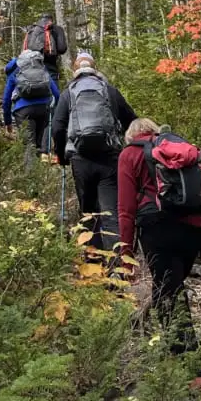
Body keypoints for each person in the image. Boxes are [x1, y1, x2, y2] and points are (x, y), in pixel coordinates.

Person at [118, 118, 201, 364]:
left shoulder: (129, 155)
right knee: (171, 289)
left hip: (159, 228)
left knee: (168, 294)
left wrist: (126, 255)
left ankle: (189, 366)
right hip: (194, 229)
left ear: (131, 135)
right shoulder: (178, 149)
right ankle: (179, 354)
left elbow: (126, 209)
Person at [52, 52, 136, 252]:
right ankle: (116, 268)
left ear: (75, 70)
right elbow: (132, 121)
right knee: (110, 213)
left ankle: (93, 263)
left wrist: (62, 155)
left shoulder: (68, 93)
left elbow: (57, 127)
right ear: (94, 68)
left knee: (88, 212)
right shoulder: (109, 91)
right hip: (109, 158)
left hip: (81, 159)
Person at [3, 49, 60, 168]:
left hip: (23, 111)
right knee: (39, 145)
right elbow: (56, 93)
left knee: (29, 145)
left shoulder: (16, 70)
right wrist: (54, 112)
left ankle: (30, 179)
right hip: (44, 109)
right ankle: (43, 176)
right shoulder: (42, 69)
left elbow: (6, 98)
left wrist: (8, 121)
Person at [23, 14, 67, 83]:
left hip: (31, 66)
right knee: (53, 90)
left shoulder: (32, 29)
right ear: (52, 20)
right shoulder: (57, 29)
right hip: (50, 65)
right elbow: (62, 49)